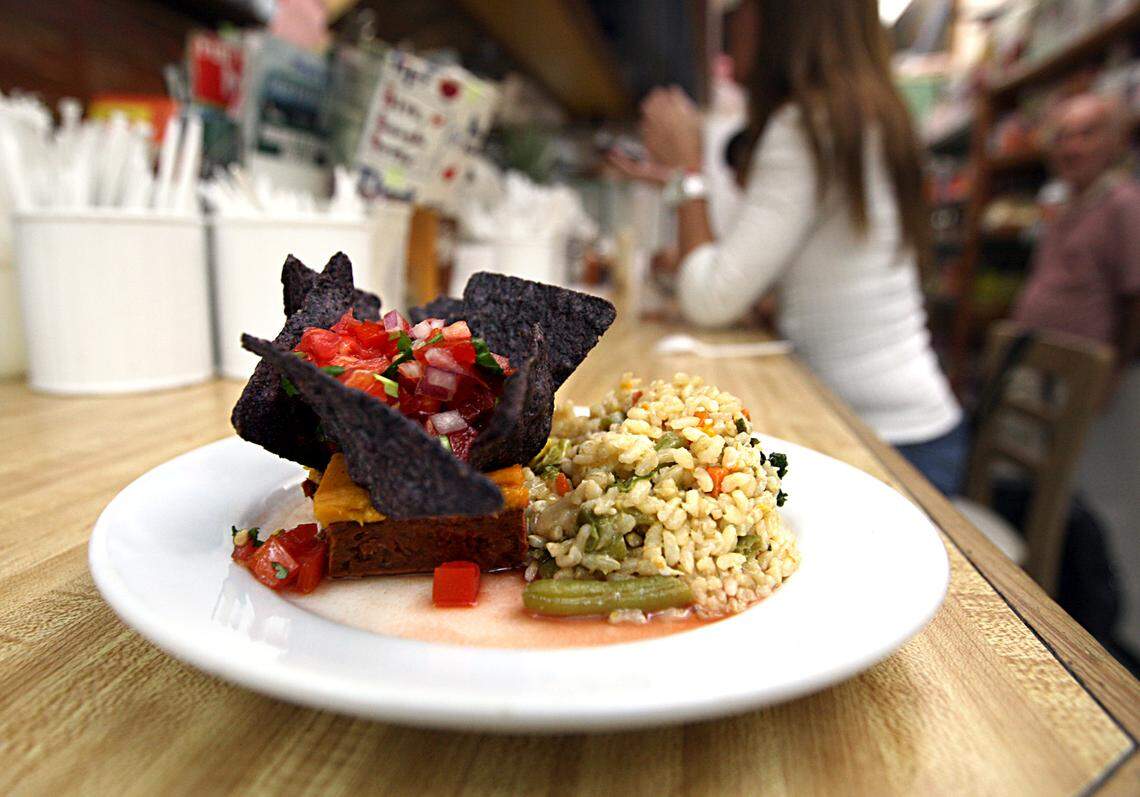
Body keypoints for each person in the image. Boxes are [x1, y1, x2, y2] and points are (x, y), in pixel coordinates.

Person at [614, 0, 965, 495]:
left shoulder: (807, 125)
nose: (730, 26)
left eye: (741, 10)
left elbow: (710, 299)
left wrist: (685, 173)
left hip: (886, 442)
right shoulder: (854, 115)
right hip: (907, 425)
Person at [1010, 92, 1140, 663]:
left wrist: (1116, 361)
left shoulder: (1124, 206)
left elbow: (1136, 294)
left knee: (1096, 495)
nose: (1072, 145)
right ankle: (1066, 598)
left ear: (1116, 141)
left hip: (1092, 374)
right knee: (1053, 489)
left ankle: (1107, 625)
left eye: (1087, 133)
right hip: (1043, 369)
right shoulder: (1062, 204)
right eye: (1062, 133)